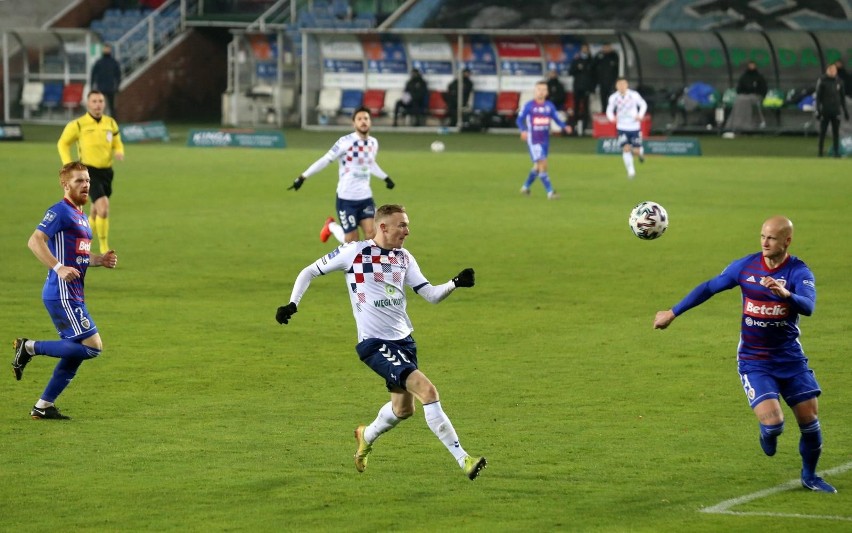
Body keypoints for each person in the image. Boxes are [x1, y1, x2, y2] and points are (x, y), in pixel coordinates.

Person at [275, 204, 487, 480]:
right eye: (402, 225)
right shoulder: (355, 252)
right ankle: (464, 459)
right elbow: (309, 271)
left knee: (403, 409)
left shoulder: (404, 258)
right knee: (428, 391)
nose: (407, 231)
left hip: (405, 342)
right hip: (374, 344)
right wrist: (293, 303)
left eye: (408, 225)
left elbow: (431, 295)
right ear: (383, 227)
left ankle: (366, 435)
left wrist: (455, 283)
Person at [653, 216, 836, 494]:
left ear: (787, 241)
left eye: (771, 238)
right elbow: (709, 287)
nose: (765, 242)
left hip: (790, 359)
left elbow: (808, 307)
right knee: (774, 424)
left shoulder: (799, 272)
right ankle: (769, 434)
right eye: (762, 236)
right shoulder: (746, 266)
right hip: (755, 361)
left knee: (809, 422)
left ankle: (810, 477)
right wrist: (672, 312)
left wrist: (786, 294)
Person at [12, 161, 118, 420]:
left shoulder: (81, 216)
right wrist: (58, 267)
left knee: (76, 353)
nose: (86, 185)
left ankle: (43, 406)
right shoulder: (59, 211)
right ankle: (28, 348)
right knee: (93, 347)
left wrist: (99, 260)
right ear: (65, 184)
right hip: (62, 293)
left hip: (73, 293)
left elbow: (79, 256)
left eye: (88, 180)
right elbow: (34, 241)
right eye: (79, 180)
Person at [289, 106, 394, 244]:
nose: (363, 121)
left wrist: (385, 177)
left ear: (370, 122)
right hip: (346, 199)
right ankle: (331, 226)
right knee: (351, 241)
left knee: (373, 235)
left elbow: (369, 164)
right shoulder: (345, 142)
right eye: (359, 119)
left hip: (365, 197)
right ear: (354, 123)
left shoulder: (373, 143)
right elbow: (325, 160)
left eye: (366, 118)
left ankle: (365, 266)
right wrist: (303, 177)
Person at [57, 90, 125, 254]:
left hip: (107, 172)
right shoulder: (78, 124)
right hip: (88, 172)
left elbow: (117, 142)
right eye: (94, 101)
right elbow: (63, 143)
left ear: (104, 103)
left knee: (95, 210)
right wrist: (68, 164)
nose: (97, 104)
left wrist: (119, 150)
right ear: (87, 104)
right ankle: (103, 246)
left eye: (100, 101)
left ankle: (83, 241)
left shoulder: (110, 123)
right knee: (103, 207)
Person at [516, 80, 572, 199]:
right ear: (535, 91)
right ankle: (550, 192)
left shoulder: (549, 106)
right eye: (539, 90)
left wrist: (564, 126)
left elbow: (556, 119)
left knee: (537, 166)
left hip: (545, 140)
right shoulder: (529, 105)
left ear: (547, 92)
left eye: (543, 90)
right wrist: (523, 130)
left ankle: (525, 188)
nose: (541, 92)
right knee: (543, 163)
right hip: (534, 139)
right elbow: (519, 120)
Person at [606, 77, 648, 179]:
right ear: (616, 86)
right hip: (621, 126)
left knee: (636, 150)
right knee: (626, 149)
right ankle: (631, 171)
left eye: (623, 84)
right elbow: (609, 109)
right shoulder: (613, 97)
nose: (621, 86)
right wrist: (612, 118)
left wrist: (640, 115)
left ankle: (640, 153)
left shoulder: (634, 95)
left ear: (627, 85)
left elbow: (643, 104)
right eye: (619, 84)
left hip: (634, 126)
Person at [815, 63, 849, 158]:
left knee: (836, 133)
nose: (834, 72)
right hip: (825, 110)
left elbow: (842, 98)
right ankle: (820, 152)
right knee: (823, 132)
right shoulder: (822, 81)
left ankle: (836, 152)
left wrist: (845, 111)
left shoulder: (839, 82)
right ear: (828, 71)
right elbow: (818, 98)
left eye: (835, 71)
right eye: (832, 70)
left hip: (836, 111)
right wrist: (817, 110)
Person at [90, 44, 122, 117]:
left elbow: (118, 75)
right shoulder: (99, 62)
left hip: (111, 88)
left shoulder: (113, 62)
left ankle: (113, 123)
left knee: (112, 108)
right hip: (101, 88)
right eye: (105, 49)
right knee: (101, 107)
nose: (106, 50)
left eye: (108, 49)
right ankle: (100, 123)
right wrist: (92, 86)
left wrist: (117, 86)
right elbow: (93, 74)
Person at [568, 44, 594, 133]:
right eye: (583, 48)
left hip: (587, 87)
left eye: (586, 48)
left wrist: (592, 88)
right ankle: (574, 127)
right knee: (576, 107)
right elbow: (570, 72)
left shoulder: (591, 60)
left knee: (586, 108)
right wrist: (578, 68)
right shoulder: (576, 60)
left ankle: (585, 127)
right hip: (577, 87)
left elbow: (594, 75)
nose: (585, 50)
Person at [735, 60, 768, 127]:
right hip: (744, 96)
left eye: (753, 65)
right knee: (740, 99)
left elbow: (763, 89)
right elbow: (739, 89)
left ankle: (748, 123)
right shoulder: (744, 77)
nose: (751, 66)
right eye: (750, 65)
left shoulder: (759, 77)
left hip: (756, 96)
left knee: (747, 100)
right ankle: (738, 122)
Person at [593, 43, 620, 112]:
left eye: (608, 47)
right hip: (602, 82)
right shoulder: (600, 56)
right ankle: (604, 112)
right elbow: (593, 66)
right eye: (604, 47)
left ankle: (612, 112)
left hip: (612, 82)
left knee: (612, 98)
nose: (606, 49)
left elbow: (618, 69)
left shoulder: (614, 56)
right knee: (603, 98)